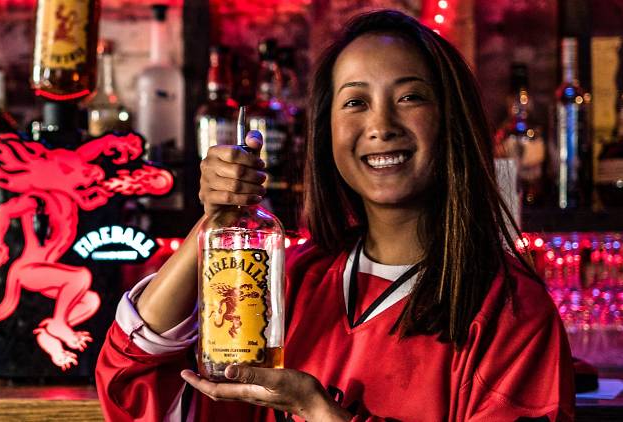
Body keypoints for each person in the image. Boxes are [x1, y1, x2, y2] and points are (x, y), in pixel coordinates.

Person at [96, 10, 574, 421]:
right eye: (355, 103)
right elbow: (134, 380)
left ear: (453, 120)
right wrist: (215, 224)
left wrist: (323, 412)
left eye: (409, 97)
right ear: (326, 134)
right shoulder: (296, 278)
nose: (381, 126)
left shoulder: (510, 311)